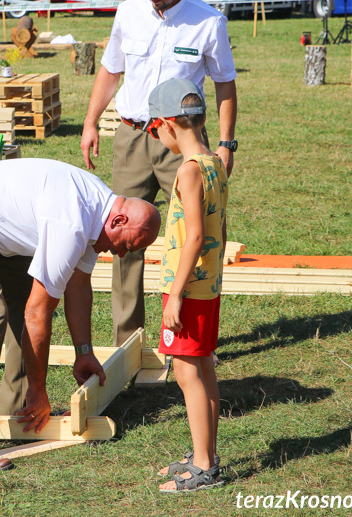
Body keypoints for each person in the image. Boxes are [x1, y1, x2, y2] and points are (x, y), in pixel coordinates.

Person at [0, 158, 161, 472]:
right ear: (118, 221)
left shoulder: (97, 211)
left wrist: (83, 352)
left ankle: (21, 415)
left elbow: (79, 285)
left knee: (20, 302)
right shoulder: (72, 222)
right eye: (126, 245)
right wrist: (39, 387)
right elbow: (38, 313)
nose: (122, 253)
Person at [79, 0, 237, 347]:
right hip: (131, 136)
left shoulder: (208, 22)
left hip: (182, 144)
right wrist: (91, 121)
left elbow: (225, 84)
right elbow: (111, 69)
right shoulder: (128, 12)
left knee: (196, 235)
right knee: (123, 239)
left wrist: (226, 144)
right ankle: (127, 344)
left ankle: (192, 336)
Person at [145, 79, 227, 492]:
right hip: (206, 286)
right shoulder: (215, 162)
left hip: (188, 289)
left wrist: (174, 294)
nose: (157, 137)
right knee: (204, 367)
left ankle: (204, 466)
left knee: (185, 373)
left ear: (167, 124)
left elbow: (194, 235)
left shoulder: (189, 170)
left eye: (155, 129)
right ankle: (204, 453)